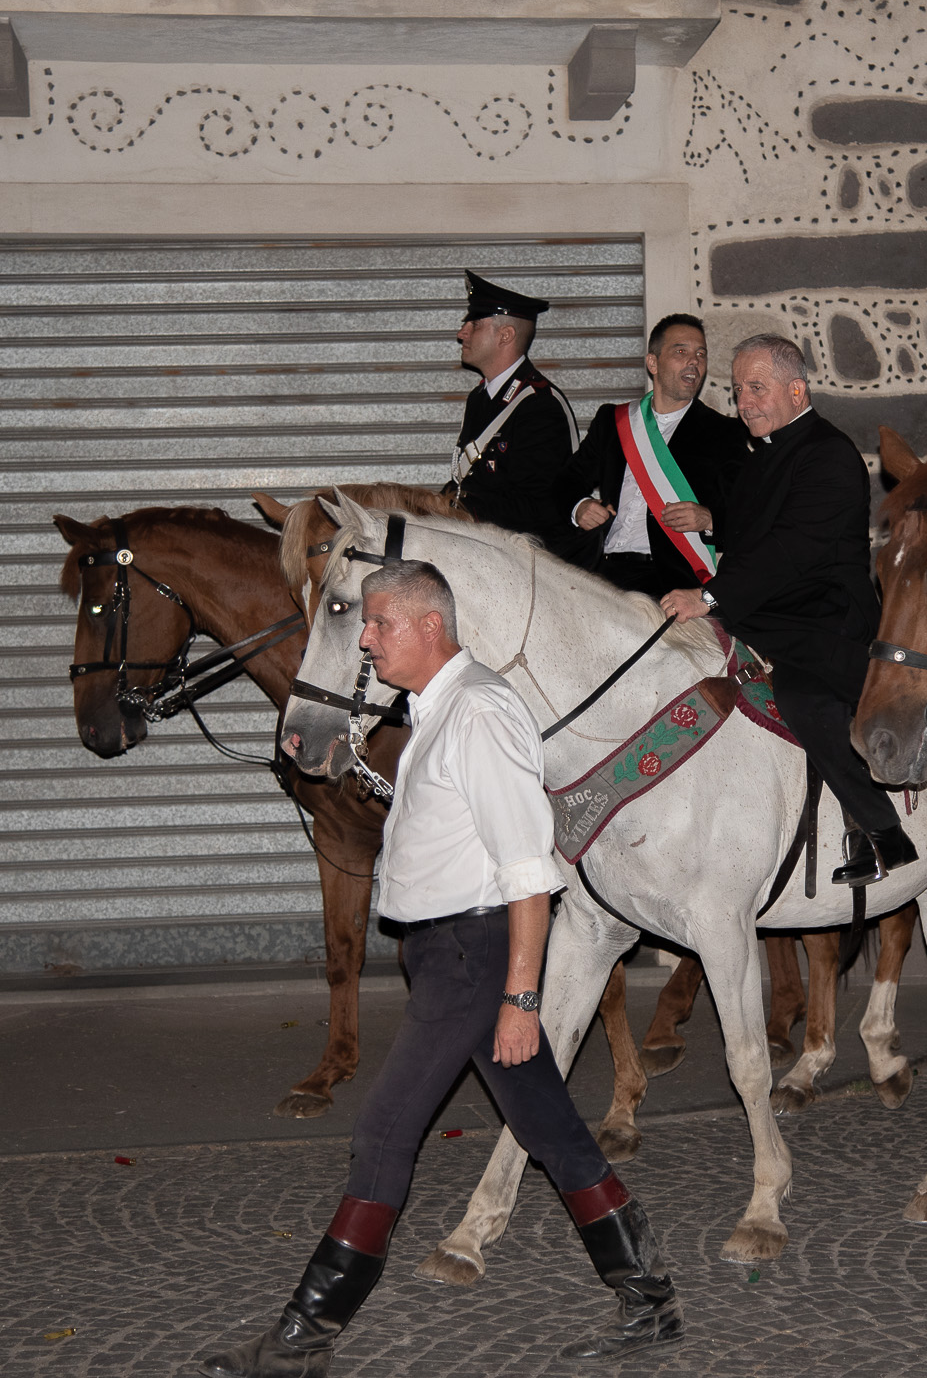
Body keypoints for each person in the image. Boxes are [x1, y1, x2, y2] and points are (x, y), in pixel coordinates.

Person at [200, 562, 680, 1377]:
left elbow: (529, 872)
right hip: (452, 950)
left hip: (472, 953)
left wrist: (521, 997)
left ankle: (303, 1339)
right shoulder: (436, 709)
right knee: (552, 1129)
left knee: (384, 1132)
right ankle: (649, 1299)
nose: (367, 639)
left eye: (380, 622)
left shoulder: (480, 712)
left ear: (431, 626)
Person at [657, 334, 917, 886]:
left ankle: (881, 830)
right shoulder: (770, 450)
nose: (743, 402)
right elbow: (758, 523)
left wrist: (708, 598)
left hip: (824, 622)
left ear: (796, 390)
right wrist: (713, 522)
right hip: (770, 615)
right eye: (737, 390)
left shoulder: (830, 453)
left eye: (757, 388)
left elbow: (791, 550)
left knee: (804, 699)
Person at [556, 314, 751, 597]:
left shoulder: (723, 432)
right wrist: (580, 507)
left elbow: (751, 513)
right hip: (600, 571)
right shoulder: (613, 421)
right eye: (681, 351)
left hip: (667, 581)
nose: (694, 362)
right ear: (653, 363)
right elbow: (565, 482)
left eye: (701, 354)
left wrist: (709, 519)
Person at [448, 270, 578, 538]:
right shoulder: (480, 398)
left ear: (505, 335)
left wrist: (453, 510)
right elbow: (472, 485)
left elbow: (537, 507)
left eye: (474, 325)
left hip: (531, 561)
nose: (462, 333)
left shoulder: (539, 405)